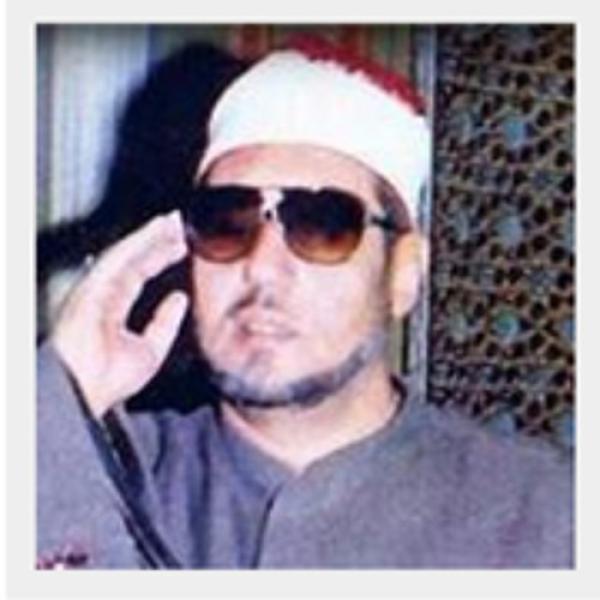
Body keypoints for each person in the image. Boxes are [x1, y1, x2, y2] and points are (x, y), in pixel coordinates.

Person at [36, 35, 573, 569]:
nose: (262, 266)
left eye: (322, 224)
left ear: (403, 274)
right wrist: (61, 391)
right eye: (226, 222)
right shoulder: (92, 473)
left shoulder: (546, 515)